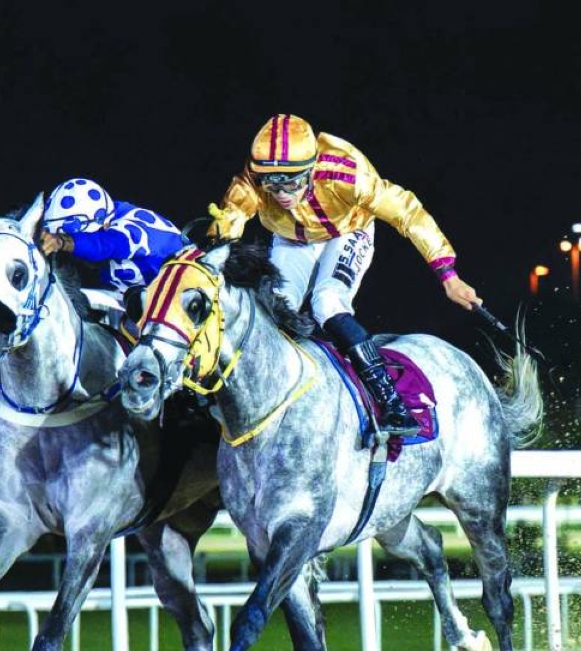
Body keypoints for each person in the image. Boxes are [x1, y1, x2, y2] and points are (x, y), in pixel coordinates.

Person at [207, 113, 482, 437]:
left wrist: (447, 274)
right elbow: (228, 224)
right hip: (290, 240)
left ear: (312, 169)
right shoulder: (251, 180)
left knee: (327, 301)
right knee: (274, 308)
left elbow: (407, 212)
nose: (281, 193)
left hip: (347, 232)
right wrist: (213, 253)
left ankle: (391, 401)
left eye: (292, 181)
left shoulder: (345, 172)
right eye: (272, 182)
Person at [39, 177, 187, 310]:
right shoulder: (104, 214)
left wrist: (62, 242)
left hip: (185, 296)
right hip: (142, 298)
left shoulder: (132, 230)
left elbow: (104, 246)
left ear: (105, 226)